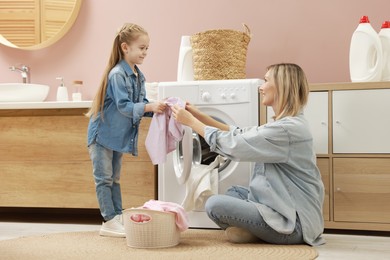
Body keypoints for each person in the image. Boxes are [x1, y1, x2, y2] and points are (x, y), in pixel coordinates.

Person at [171, 63, 325, 246]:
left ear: (282, 85)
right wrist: (199, 115)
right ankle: (255, 232)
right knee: (233, 192)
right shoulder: (285, 124)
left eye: (266, 80)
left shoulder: (287, 130)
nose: (261, 87)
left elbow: (235, 145)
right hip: (281, 206)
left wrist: (191, 123)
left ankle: (259, 233)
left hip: (295, 224)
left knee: (214, 205)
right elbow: (238, 132)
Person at [86, 23, 166, 237]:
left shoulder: (139, 76)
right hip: (102, 135)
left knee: (115, 178)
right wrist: (149, 107)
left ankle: (117, 215)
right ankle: (109, 220)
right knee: (104, 178)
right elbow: (124, 106)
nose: (145, 53)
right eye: (142, 48)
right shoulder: (117, 75)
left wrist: (159, 108)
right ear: (125, 47)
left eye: (147, 48)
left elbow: (141, 105)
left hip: (117, 137)